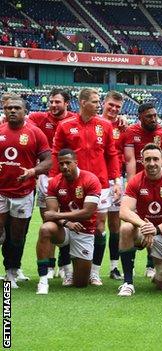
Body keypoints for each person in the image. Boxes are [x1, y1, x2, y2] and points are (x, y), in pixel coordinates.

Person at [51, 88, 121, 286]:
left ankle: (95, 272)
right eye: (95, 101)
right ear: (83, 103)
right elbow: (57, 154)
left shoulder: (105, 125)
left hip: (100, 184)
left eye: (99, 101)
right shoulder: (65, 126)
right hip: (71, 185)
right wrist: (54, 181)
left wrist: (116, 181)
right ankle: (68, 271)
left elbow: (111, 154)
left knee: (99, 227)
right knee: (70, 225)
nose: (99, 105)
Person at [117, 144, 162, 296]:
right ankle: (128, 282)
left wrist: (156, 229)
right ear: (142, 161)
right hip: (145, 231)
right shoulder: (136, 181)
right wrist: (144, 226)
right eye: (148, 159)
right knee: (126, 228)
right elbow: (124, 211)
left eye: (155, 159)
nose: (152, 163)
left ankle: (160, 269)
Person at [25, 88, 77, 279]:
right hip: (46, 178)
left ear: (66, 103)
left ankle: (65, 264)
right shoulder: (38, 118)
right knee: (50, 220)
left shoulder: (74, 120)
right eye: (51, 102)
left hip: (68, 178)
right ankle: (49, 265)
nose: (53, 105)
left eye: (57, 102)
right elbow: (16, 120)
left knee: (68, 219)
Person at [0, 97, 51, 288]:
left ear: (24, 111)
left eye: (16, 108)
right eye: (8, 108)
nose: (12, 111)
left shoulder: (35, 133)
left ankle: (11, 271)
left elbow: (48, 160)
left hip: (23, 192)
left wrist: (33, 171)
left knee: (17, 235)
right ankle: (9, 269)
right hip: (1, 191)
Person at [35, 149, 101, 294]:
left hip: (84, 230)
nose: (64, 167)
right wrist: (67, 223)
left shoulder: (91, 179)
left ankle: (80, 269)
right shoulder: (54, 183)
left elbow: (87, 213)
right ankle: (43, 280)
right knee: (46, 229)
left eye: (68, 163)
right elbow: (49, 215)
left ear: (76, 163)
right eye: (61, 164)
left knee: (80, 283)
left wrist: (59, 216)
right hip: (65, 228)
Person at [122, 102, 162, 279]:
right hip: (139, 184)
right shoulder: (131, 132)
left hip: (158, 185)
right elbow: (130, 160)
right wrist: (133, 184)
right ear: (140, 116)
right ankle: (130, 267)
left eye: (155, 115)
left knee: (156, 219)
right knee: (132, 224)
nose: (153, 119)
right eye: (149, 116)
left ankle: (151, 264)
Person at [100, 90, 126, 280]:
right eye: (111, 105)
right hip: (96, 179)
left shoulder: (123, 127)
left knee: (115, 225)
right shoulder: (95, 124)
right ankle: (91, 267)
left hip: (116, 179)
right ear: (103, 103)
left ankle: (114, 267)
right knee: (95, 224)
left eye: (118, 107)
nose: (114, 109)